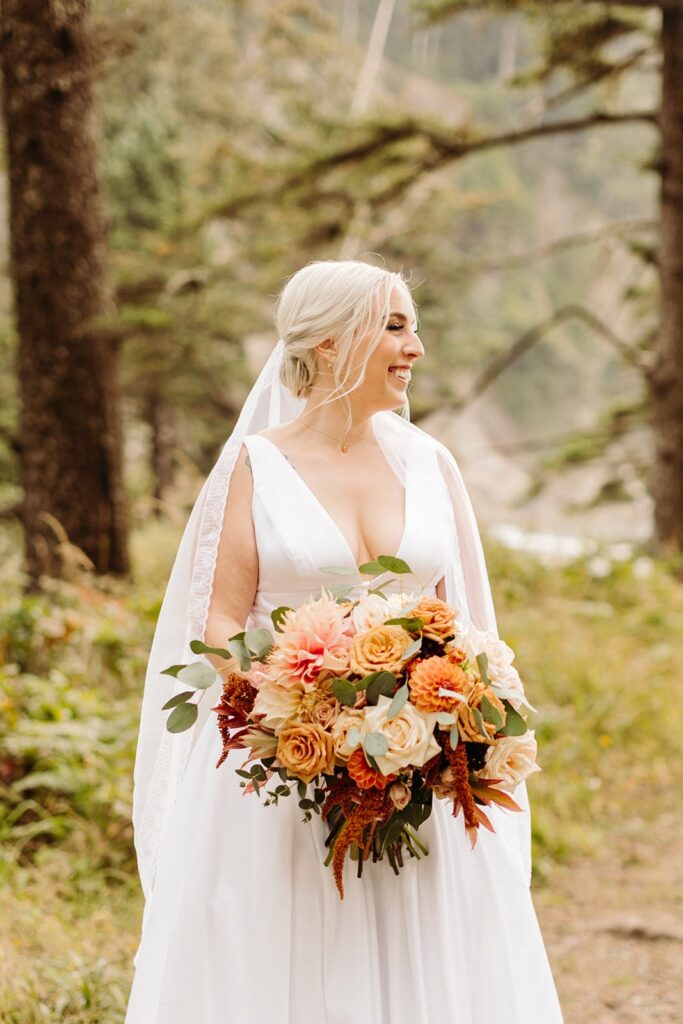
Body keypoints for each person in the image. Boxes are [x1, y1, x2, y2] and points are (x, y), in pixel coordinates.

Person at [125, 259, 565, 1023]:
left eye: (412, 325)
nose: (414, 347)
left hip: (416, 771)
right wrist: (299, 710)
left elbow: (460, 622)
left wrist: (450, 710)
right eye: (394, 326)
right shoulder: (255, 465)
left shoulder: (429, 463)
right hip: (280, 777)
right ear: (328, 343)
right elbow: (220, 622)